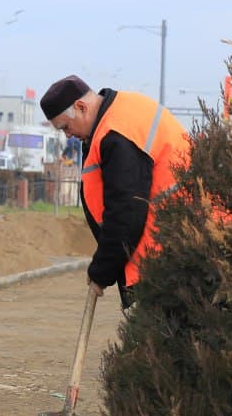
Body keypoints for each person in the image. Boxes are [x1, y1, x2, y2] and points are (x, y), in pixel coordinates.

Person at [40, 75, 190, 308]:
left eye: (65, 127)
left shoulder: (116, 133)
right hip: (178, 242)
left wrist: (102, 270)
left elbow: (126, 213)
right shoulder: (122, 112)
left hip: (172, 253)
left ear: (81, 107)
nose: (67, 135)